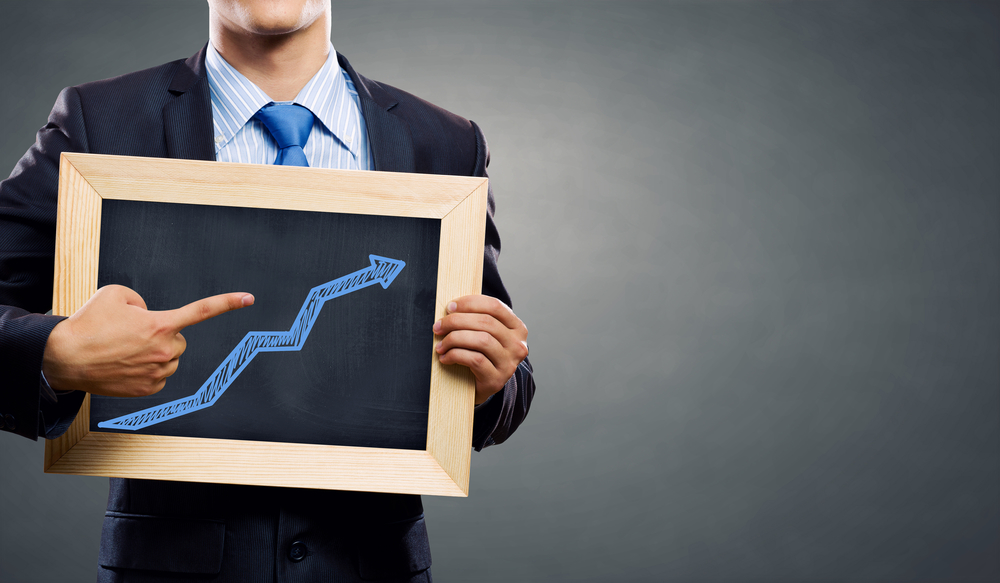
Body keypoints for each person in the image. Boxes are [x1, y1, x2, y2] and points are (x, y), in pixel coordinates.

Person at [0, 1, 535, 580]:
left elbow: (503, 380)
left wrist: (490, 379)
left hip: (374, 565)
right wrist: (56, 353)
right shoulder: (99, 120)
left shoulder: (446, 142)